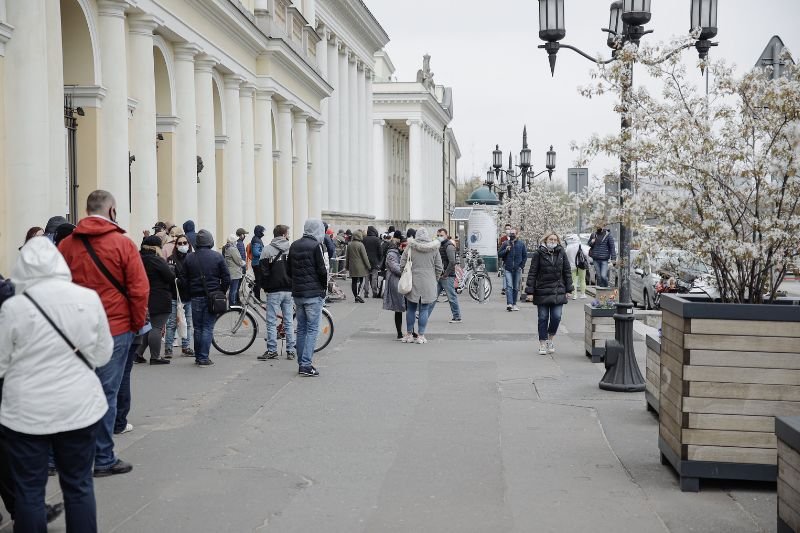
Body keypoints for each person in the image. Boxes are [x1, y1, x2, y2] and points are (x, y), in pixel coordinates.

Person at [0, 237, 113, 532]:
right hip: (79, 406)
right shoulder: (88, 299)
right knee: (78, 485)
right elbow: (103, 355)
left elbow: (0, 363)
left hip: (27, 412)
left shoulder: (13, 308)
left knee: (29, 490)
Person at [58, 190, 148, 477]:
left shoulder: (66, 245)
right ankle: (103, 457)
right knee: (106, 392)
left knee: (73, 392)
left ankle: (60, 455)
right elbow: (138, 289)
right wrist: (135, 325)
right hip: (115, 327)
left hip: (76, 330)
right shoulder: (122, 243)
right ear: (111, 211)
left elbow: (58, 286)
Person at [287, 219, 328, 377]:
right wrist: (323, 288)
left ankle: (301, 362)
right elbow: (322, 270)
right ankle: (306, 364)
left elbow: (289, 269)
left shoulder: (294, 245)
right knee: (312, 329)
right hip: (313, 294)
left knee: (302, 329)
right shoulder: (316, 246)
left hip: (298, 293)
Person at [183, 229, 230, 367]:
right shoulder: (217, 257)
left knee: (198, 328)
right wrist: (221, 291)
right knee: (207, 327)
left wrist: (190, 290)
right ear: (210, 241)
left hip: (196, 296)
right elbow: (226, 278)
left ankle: (198, 356)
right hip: (213, 296)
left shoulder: (190, 257)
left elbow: (183, 278)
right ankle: (203, 357)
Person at [525, 233, 574, 355]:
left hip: (558, 290)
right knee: (543, 318)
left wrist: (569, 289)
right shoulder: (538, 253)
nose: (553, 241)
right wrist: (530, 292)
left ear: (558, 241)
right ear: (546, 240)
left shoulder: (561, 253)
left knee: (556, 317)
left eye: (555, 239)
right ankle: (542, 343)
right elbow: (532, 273)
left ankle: (550, 339)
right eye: (550, 239)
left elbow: (567, 272)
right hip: (542, 290)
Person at [135, 235, 175, 365]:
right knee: (156, 327)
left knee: (148, 326)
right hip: (159, 297)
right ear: (156, 247)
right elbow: (170, 277)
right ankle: (155, 357)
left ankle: (138, 354)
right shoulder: (157, 260)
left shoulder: (138, 259)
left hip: (143, 297)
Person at [258, 224, 295, 361]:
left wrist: (266, 287)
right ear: (284, 234)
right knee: (289, 321)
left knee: (271, 321)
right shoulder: (291, 249)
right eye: (288, 233)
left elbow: (263, 272)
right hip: (288, 289)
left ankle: (272, 350)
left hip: (273, 290)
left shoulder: (267, 250)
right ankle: (290, 350)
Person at [400, 228, 442, 344]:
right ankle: (421, 336)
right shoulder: (434, 249)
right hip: (429, 281)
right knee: (424, 309)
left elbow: (402, 263)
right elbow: (439, 267)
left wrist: (405, 275)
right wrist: (435, 279)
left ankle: (409, 334)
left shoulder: (410, 247)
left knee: (411, 309)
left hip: (412, 281)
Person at [164, 235, 194, 357]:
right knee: (172, 323)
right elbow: (171, 277)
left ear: (189, 244)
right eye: (180, 243)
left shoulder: (192, 258)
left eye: (184, 243)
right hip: (175, 297)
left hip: (188, 297)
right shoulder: (171, 259)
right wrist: (184, 280)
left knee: (188, 323)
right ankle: (168, 348)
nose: (182, 245)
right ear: (176, 245)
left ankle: (186, 347)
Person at [433, 228, 462, 323]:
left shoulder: (449, 246)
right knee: (432, 296)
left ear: (446, 235)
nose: (439, 237)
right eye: (438, 235)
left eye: (441, 235)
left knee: (451, 297)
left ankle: (457, 316)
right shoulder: (440, 245)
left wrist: (445, 274)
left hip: (447, 276)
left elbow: (452, 262)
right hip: (440, 276)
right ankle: (423, 314)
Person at [382, 231, 406, 340]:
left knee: (409, 307)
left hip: (405, 281)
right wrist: (408, 271)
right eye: (403, 245)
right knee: (398, 308)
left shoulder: (402, 253)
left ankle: (411, 331)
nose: (405, 247)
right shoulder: (391, 254)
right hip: (396, 281)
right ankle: (399, 332)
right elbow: (396, 268)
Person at [498, 227, 527, 311]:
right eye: (510, 233)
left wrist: (521, 266)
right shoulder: (505, 243)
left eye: (513, 233)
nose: (512, 235)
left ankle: (514, 304)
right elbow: (499, 254)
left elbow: (524, 256)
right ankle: (509, 304)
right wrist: (506, 251)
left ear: (517, 234)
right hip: (508, 268)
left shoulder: (521, 244)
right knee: (509, 286)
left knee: (515, 287)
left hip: (517, 269)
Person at [346, 230, 371, 303]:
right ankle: (359, 295)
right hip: (361, 266)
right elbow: (364, 257)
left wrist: (347, 266)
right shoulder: (360, 245)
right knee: (362, 280)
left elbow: (347, 256)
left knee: (354, 281)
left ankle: (355, 295)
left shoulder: (349, 244)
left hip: (352, 266)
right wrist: (368, 266)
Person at [223, 234, 245, 306]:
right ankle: (232, 304)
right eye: (235, 240)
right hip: (235, 272)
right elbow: (238, 260)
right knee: (234, 290)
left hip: (230, 271)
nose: (236, 242)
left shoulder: (227, 247)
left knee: (231, 290)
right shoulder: (233, 249)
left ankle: (231, 304)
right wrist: (243, 263)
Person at [565, 235, 588, 300]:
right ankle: (582, 294)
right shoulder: (580, 245)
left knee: (573, 281)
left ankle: (574, 295)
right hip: (581, 265)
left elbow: (566, 256)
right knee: (582, 279)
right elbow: (586, 254)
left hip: (572, 266)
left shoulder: (568, 247)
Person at [362, 226, 383, 298]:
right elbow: (380, 252)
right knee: (374, 278)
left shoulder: (364, 239)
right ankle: (374, 292)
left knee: (366, 277)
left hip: (366, 261)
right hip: (375, 261)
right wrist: (379, 261)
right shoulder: (377, 239)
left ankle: (366, 292)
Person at [250, 225, 266, 301]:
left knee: (259, 280)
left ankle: (254, 289)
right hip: (257, 263)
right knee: (259, 280)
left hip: (257, 263)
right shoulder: (256, 240)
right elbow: (256, 253)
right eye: (262, 231)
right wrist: (264, 252)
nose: (263, 233)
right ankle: (257, 298)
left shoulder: (257, 239)